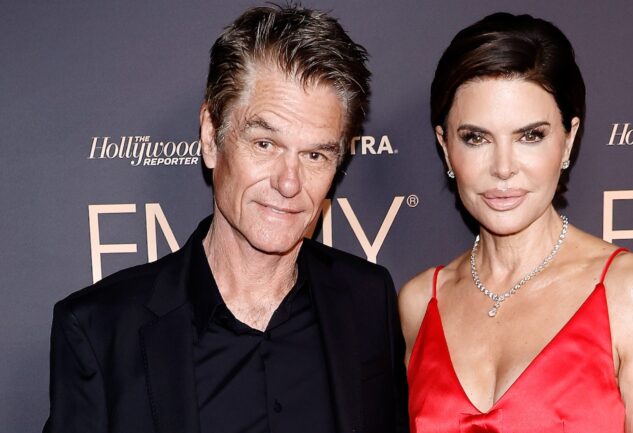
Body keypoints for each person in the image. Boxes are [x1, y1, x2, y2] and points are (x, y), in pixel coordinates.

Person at [44, 5, 407, 433]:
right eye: (265, 144)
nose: (289, 183)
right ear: (211, 137)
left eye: (314, 155)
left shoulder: (368, 301)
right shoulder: (100, 331)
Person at [399, 12, 633, 432]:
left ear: (568, 139)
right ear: (445, 147)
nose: (503, 168)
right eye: (475, 138)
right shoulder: (419, 303)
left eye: (530, 136)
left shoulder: (630, 293)